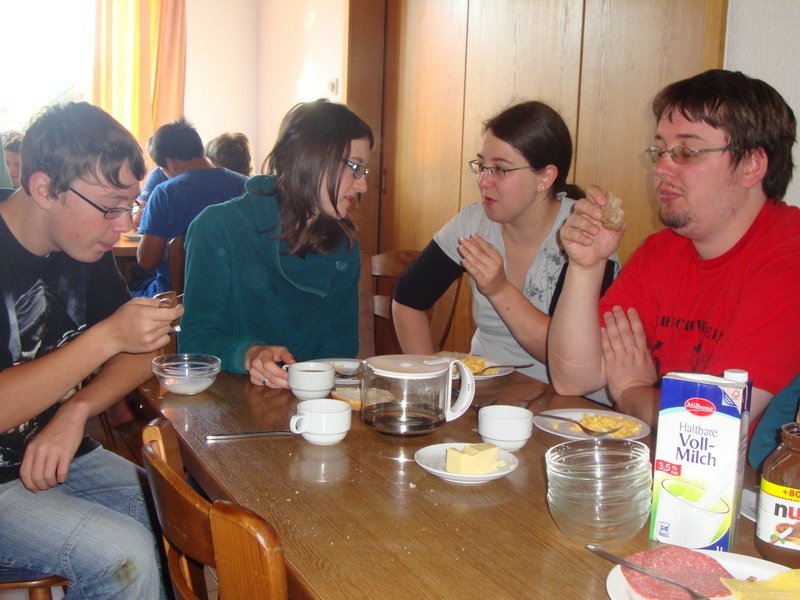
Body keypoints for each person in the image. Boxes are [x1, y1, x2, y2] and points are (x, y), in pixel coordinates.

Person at [548, 69, 800, 429]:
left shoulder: (789, 258)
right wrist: (586, 266)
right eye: (660, 151)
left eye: (686, 152)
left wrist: (632, 391)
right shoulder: (662, 251)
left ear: (752, 164)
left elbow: (712, 423)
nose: (662, 168)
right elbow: (572, 378)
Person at [0, 102, 181, 597]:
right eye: (109, 207)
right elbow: (116, 339)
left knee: (178, 515)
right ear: (43, 189)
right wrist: (105, 338)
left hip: (60, 455)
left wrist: (78, 408)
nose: (122, 225)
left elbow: (145, 349)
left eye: (130, 205)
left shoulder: (83, 246)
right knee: (124, 557)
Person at [392, 101, 618, 391]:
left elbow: (565, 355)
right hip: (484, 391)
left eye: (500, 169)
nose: (483, 181)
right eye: (482, 166)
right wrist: (433, 384)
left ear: (545, 177)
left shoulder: (583, 234)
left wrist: (499, 289)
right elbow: (407, 301)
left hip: (566, 399)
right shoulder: (473, 223)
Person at [179, 99, 372, 388]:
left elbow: (339, 352)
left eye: (363, 171)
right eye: (355, 167)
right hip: (226, 398)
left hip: (306, 403)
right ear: (311, 158)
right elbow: (194, 341)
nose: (362, 185)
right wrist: (249, 354)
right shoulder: (218, 227)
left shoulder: (344, 248)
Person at [131, 117, 247, 296]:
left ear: (170, 163)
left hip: (177, 297)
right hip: (237, 294)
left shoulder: (165, 193)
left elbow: (147, 261)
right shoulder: (246, 185)